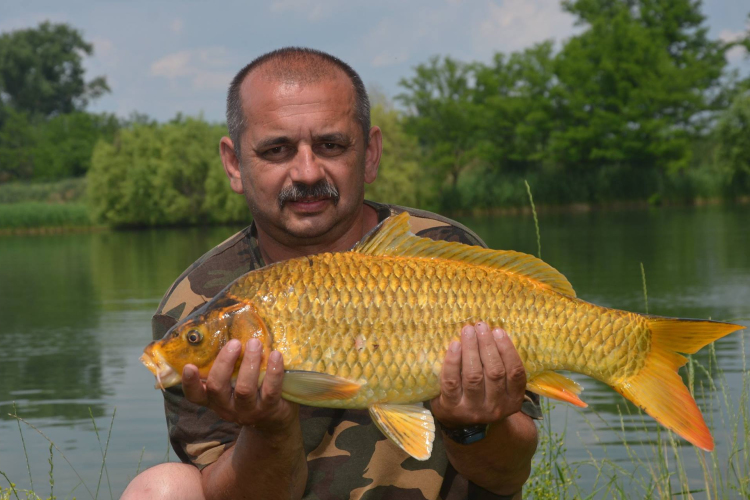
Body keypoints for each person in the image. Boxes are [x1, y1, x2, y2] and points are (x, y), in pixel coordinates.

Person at [122, 47, 540, 500]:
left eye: (331, 145)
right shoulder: (194, 304)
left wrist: (472, 426)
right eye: (276, 149)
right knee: (162, 489)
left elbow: (506, 477)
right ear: (234, 163)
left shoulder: (445, 255)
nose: (306, 172)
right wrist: (269, 425)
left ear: (371, 153)